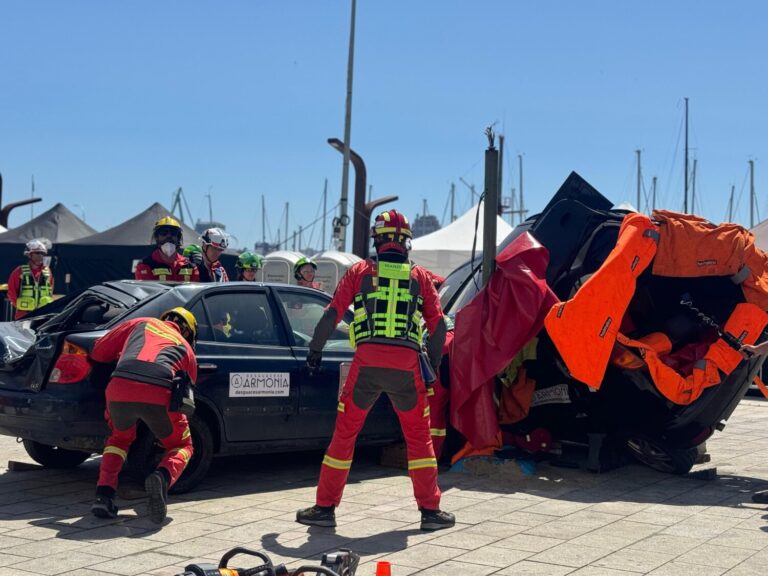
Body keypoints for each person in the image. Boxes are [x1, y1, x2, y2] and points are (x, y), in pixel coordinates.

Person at [296, 209, 454, 531]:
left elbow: (332, 314)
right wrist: (433, 366)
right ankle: (430, 511)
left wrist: (315, 350)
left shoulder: (359, 271)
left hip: (366, 364)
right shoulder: (420, 277)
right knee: (419, 439)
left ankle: (325, 508)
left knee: (345, 435)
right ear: (406, 242)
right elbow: (438, 328)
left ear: (377, 240)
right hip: (408, 366)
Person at [88, 307, 198, 524]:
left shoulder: (141, 323)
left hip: (119, 386)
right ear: (187, 332)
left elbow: (98, 351)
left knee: (118, 440)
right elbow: (189, 392)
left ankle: (104, 496)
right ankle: (162, 477)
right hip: (160, 391)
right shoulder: (186, 349)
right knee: (183, 445)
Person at [135, 217, 199, 282]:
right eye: (163, 233)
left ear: (178, 238)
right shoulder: (145, 265)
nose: (168, 236)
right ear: (157, 237)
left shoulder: (190, 266)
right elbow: (146, 290)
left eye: (173, 233)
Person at [7, 239, 55, 320]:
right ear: (29, 255)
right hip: (23, 316)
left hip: (43, 316)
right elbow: (11, 293)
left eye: (43, 253)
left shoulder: (48, 272)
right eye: (37, 253)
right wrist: (22, 306)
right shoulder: (19, 271)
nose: (41, 256)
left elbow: (50, 292)